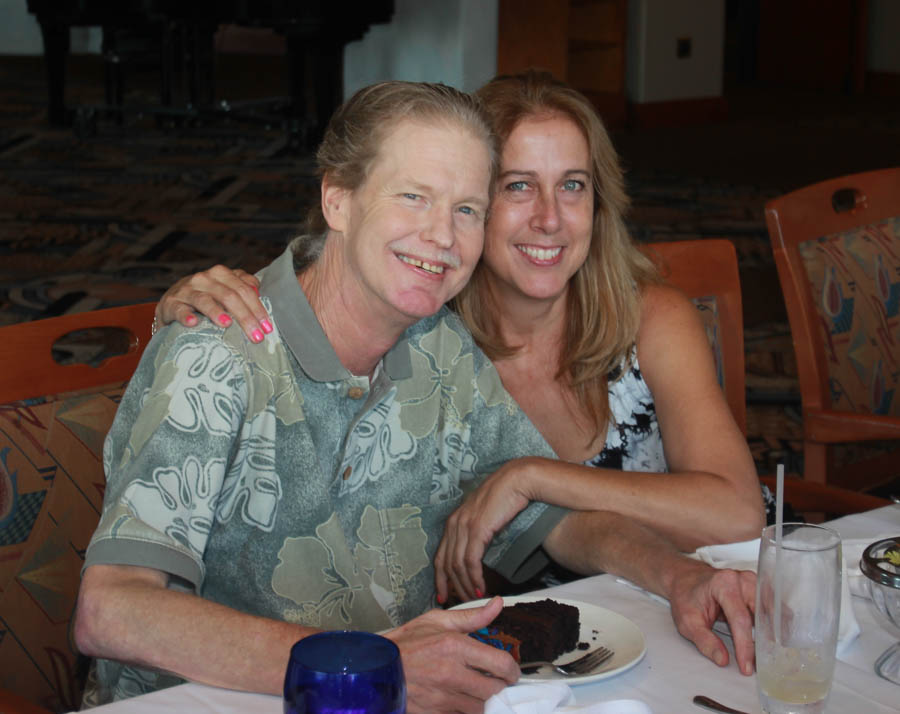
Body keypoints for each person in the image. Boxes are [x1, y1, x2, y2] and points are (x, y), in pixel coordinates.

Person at [84, 78, 758, 714]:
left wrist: (676, 576)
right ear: (337, 200)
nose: (443, 236)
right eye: (414, 196)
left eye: (467, 209)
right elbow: (112, 610)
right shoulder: (218, 353)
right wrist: (374, 662)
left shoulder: (440, 347)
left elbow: (554, 521)